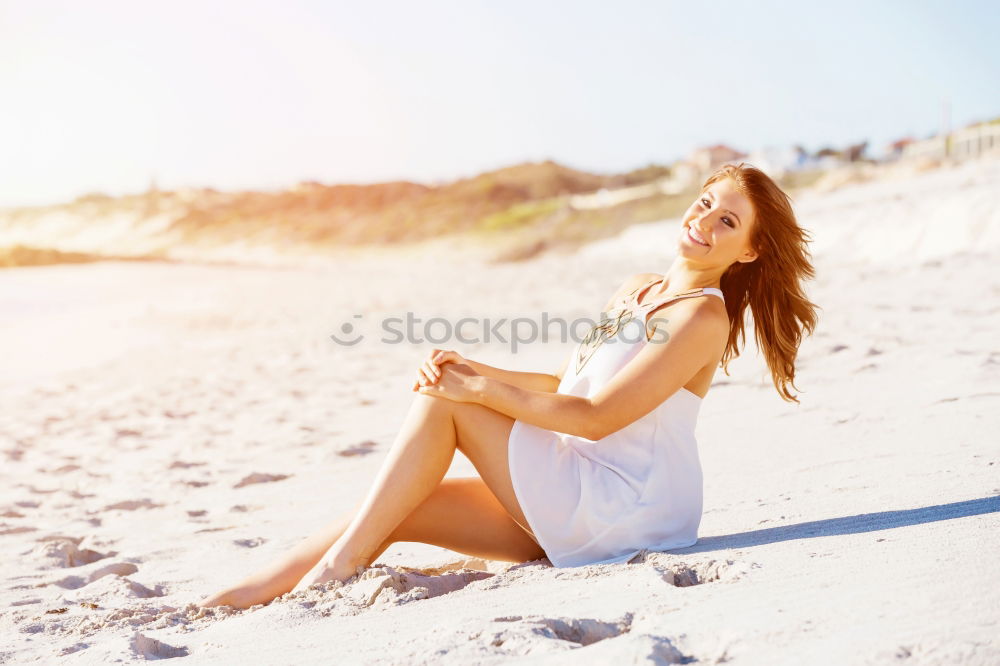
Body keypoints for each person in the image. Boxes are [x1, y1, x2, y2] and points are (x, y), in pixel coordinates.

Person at [199, 162, 819, 609]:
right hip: (574, 484)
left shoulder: (702, 316)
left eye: (728, 220)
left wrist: (477, 395)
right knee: (401, 503)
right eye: (707, 202)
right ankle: (249, 593)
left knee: (446, 401)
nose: (705, 219)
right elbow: (565, 383)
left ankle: (340, 566)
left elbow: (597, 416)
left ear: (747, 253)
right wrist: (478, 370)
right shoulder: (636, 288)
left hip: (626, 508)